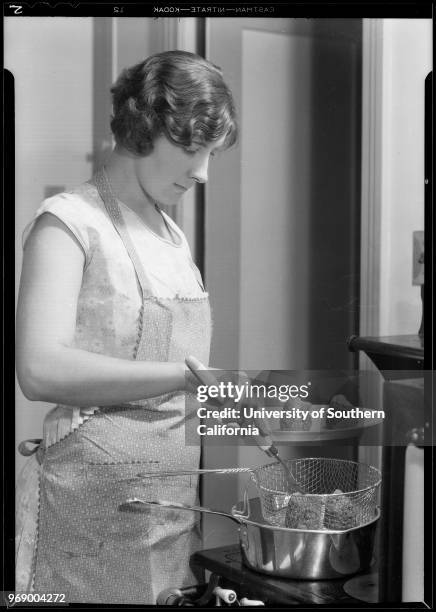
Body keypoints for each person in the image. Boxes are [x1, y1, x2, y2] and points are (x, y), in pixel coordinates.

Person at [15, 50, 238, 604]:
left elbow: (187, 382)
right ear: (144, 130)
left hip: (166, 509)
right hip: (89, 518)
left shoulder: (171, 236)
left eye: (210, 153)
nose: (203, 172)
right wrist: (183, 378)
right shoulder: (68, 223)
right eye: (192, 149)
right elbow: (39, 369)